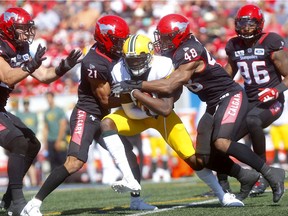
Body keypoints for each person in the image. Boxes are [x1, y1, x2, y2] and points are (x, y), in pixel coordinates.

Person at [111, 14, 285, 203]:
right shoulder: (175, 52)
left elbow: (170, 85)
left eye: (166, 37)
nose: (162, 41)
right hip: (212, 102)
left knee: (221, 142)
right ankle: (245, 176)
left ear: (178, 35)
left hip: (229, 95)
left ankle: (270, 172)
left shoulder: (190, 50)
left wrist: (135, 86)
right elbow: (172, 90)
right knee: (202, 158)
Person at [23, 15, 156, 216]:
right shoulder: (94, 62)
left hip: (103, 118)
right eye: (118, 40)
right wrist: (136, 96)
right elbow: (105, 100)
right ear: (106, 39)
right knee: (74, 162)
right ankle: (34, 203)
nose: (122, 45)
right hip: (87, 114)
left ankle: (136, 201)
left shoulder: (113, 54)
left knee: (129, 154)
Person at [0, 7, 82, 216]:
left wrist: (63, 67)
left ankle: (9, 198)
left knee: (32, 144)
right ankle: (17, 203)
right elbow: (7, 76)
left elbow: (44, 75)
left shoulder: (21, 48)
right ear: (8, 29)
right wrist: (29, 66)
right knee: (18, 141)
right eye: (21, 29)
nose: (26, 33)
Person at [222, 4, 288, 196]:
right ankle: (222, 184)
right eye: (242, 24)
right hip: (249, 100)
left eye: (250, 24)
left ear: (259, 25)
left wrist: (275, 91)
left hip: (271, 101)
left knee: (253, 121)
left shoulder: (271, 41)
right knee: (222, 139)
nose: (245, 28)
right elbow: (229, 72)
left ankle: (264, 175)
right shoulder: (234, 45)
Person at [16, 98, 39, 187]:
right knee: (22, 162)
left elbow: (36, 127)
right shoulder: (19, 114)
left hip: (31, 140)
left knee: (31, 162)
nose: (26, 105)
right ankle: (23, 183)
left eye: (27, 103)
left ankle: (33, 183)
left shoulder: (33, 114)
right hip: (23, 140)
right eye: (24, 103)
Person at [43, 91, 68, 172]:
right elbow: (46, 127)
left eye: (49, 97)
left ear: (53, 98)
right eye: (47, 98)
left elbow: (63, 126)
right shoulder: (46, 112)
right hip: (50, 139)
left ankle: (66, 182)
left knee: (62, 161)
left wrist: (59, 140)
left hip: (59, 139)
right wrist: (45, 142)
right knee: (52, 162)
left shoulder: (59, 110)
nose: (48, 99)